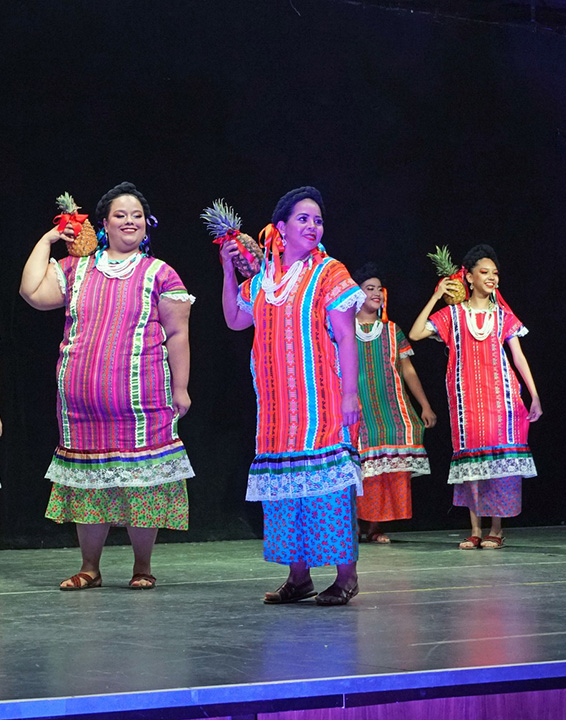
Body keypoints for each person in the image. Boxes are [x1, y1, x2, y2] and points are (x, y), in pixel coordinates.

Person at [20, 181, 194, 589]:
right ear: (103, 224)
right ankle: (90, 568)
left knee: (143, 487)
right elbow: (31, 291)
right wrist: (49, 239)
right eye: (120, 215)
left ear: (146, 225)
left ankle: (142, 568)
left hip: (142, 405)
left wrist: (181, 388)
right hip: (81, 409)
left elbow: (178, 334)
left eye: (136, 215)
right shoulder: (76, 268)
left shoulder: (160, 273)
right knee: (88, 488)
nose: (129, 221)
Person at [220, 186, 365, 605]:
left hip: (320, 401)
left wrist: (350, 394)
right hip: (277, 409)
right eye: (303, 219)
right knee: (285, 488)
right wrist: (228, 272)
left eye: (317, 220)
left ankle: (345, 576)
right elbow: (233, 319)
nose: (313, 226)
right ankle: (299, 577)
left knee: (327, 488)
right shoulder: (264, 279)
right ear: (280, 228)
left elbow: (345, 335)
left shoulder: (330, 272)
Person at [409, 244, 542, 549]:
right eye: (484, 272)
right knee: (472, 464)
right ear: (468, 277)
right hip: (466, 400)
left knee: (500, 463)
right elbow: (416, 333)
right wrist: (436, 295)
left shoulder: (503, 315)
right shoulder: (453, 314)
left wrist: (534, 396)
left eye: (495, 272)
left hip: (502, 398)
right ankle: (475, 528)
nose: (492, 277)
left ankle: (497, 528)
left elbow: (518, 357)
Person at [353, 262, 436, 543]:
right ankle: (354, 524)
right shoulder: (342, 329)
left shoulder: (392, 330)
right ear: (356, 293)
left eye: (379, 289)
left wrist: (424, 404)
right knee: (358, 463)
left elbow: (408, 370)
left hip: (390, 407)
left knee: (391, 455)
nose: (376, 293)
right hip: (358, 406)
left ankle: (375, 525)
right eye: (369, 288)